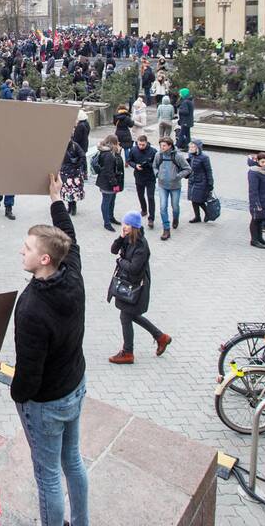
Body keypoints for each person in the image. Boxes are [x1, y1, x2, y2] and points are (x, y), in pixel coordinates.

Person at [11, 173, 88, 526]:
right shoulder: (72, 271)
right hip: (75, 384)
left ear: (44, 260)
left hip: (47, 403)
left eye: (27, 249)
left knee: (48, 477)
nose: (21, 252)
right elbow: (68, 238)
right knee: (72, 460)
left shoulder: (31, 308)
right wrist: (56, 199)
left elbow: (30, 372)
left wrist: (17, 395)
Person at [107, 212, 171, 364]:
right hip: (128, 285)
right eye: (124, 224)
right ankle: (161, 337)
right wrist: (121, 237)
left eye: (127, 225)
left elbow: (134, 268)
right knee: (131, 315)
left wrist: (120, 261)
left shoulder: (141, 245)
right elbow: (113, 250)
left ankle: (128, 353)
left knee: (126, 316)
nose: (124, 227)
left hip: (136, 287)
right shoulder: (127, 239)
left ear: (134, 227)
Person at [152, 136, 191, 240]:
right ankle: (166, 228)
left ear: (170, 146)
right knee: (163, 207)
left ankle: (175, 218)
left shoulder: (178, 156)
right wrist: (157, 174)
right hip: (162, 185)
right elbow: (154, 166)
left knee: (175, 206)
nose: (162, 147)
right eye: (161, 145)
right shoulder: (158, 155)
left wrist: (177, 176)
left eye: (164, 145)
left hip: (175, 186)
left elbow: (187, 169)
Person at [94, 134, 124, 231]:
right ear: (114, 143)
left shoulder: (109, 151)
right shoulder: (108, 154)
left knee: (111, 200)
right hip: (108, 182)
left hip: (109, 181)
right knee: (107, 201)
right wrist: (114, 183)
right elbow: (109, 171)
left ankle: (111, 217)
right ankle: (107, 222)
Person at [126, 135, 157, 228]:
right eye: (139, 144)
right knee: (140, 195)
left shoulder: (153, 151)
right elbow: (129, 160)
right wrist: (135, 166)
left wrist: (149, 164)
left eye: (143, 145)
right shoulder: (134, 150)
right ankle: (144, 209)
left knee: (151, 197)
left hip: (150, 177)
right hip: (139, 176)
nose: (141, 146)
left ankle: (151, 218)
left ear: (146, 143)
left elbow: (157, 163)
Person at [247, 152, 265, 249]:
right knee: (255, 219)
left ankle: (260, 238)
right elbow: (253, 190)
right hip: (258, 200)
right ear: (258, 161)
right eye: (262, 162)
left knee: (260, 219)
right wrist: (256, 204)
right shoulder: (254, 172)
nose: (264, 164)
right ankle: (254, 240)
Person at [186, 140, 214, 224]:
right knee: (193, 199)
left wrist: (210, 183)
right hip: (192, 180)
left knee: (199, 200)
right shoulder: (190, 155)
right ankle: (197, 216)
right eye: (190, 147)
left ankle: (207, 213)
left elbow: (208, 170)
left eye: (193, 147)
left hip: (201, 181)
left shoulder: (204, 157)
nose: (191, 148)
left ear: (198, 148)